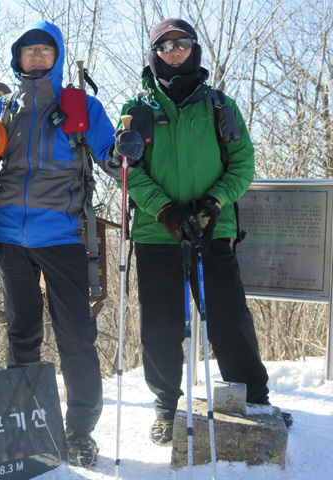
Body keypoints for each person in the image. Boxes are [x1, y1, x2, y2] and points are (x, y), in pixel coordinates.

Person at [116, 18, 292, 446]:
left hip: (213, 231)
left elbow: (242, 164)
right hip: (157, 234)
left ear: (194, 49)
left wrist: (213, 203)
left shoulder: (220, 106)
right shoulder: (137, 109)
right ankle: (166, 409)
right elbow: (126, 170)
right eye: (165, 46)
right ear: (154, 54)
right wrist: (165, 210)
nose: (174, 52)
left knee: (230, 320)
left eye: (182, 44)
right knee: (161, 326)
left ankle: (255, 401)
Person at [0, 21, 119, 468]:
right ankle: (26, 427)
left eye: (44, 50)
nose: (35, 56)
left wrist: (128, 148)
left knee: (76, 336)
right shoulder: (3, 108)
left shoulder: (81, 105)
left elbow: (112, 157)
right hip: (9, 238)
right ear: (18, 58)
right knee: (22, 334)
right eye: (27, 50)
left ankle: (79, 431)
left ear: (57, 56)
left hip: (63, 236)